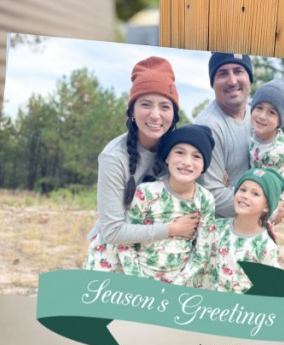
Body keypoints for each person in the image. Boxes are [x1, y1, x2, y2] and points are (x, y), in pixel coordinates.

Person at [85, 56, 200, 272]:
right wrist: (172, 229)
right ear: (132, 112)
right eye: (145, 104)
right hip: (113, 255)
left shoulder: (180, 154)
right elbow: (112, 232)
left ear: (174, 115)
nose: (155, 115)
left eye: (165, 106)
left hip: (156, 256)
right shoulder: (113, 157)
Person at [118, 125, 217, 285]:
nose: (187, 162)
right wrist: (138, 283)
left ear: (204, 165)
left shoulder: (205, 200)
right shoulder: (146, 193)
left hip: (181, 284)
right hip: (141, 281)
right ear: (167, 157)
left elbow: (202, 252)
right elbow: (126, 243)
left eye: (196, 156)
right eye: (179, 152)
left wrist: (178, 285)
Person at [194, 52, 254, 219]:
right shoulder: (208, 127)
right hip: (221, 234)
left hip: (250, 225)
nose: (232, 81)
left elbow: (278, 162)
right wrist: (265, 208)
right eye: (222, 74)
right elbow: (213, 196)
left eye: (238, 71)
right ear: (213, 83)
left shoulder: (259, 115)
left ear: (249, 78)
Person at [206, 168, 283, 294]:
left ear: (267, 206)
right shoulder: (216, 228)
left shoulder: (265, 246)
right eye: (242, 189)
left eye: (255, 194)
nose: (245, 196)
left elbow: (268, 287)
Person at [248, 78, 284, 214]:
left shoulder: (275, 152)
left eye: (271, 112)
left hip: (275, 197)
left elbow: (267, 186)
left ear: (280, 120)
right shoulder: (256, 130)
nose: (262, 116)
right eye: (259, 108)